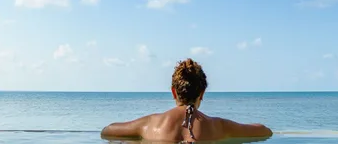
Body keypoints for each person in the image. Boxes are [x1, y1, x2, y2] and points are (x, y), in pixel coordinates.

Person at [101, 58, 273, 142]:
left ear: (173, 92)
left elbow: (107, 130)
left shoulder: (149, 124)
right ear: (202, 93)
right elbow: (265, 131)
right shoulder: (219, 126)